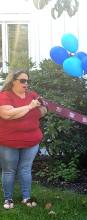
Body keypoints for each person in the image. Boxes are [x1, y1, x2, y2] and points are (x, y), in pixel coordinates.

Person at [0, 70, 47, 209]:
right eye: (22, 80)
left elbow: (44, 111)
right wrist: (30, 107)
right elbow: (7, 115)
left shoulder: (32, 95)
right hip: (9, 142)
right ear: (13, 81)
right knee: (9, 170)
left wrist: (31, 110)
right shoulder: (4, 96)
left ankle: (26, 198)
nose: (26, 84)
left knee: (25, 169)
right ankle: (8, 199)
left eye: (27, 81)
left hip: (31, 141)